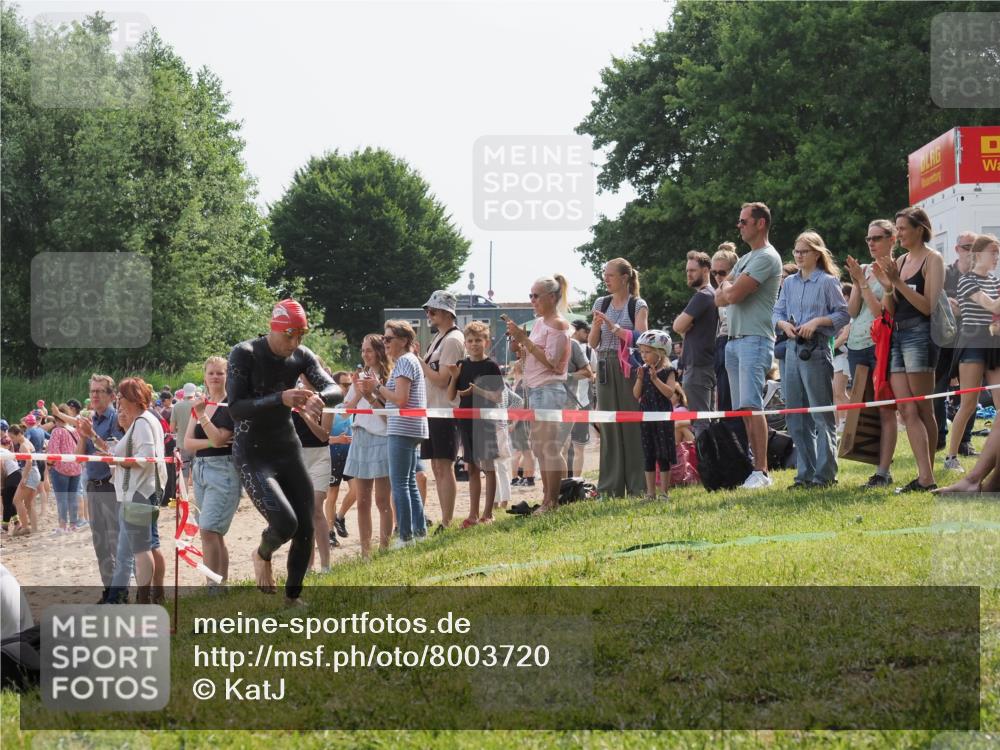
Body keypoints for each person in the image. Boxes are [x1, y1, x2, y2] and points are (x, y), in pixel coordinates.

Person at [227, 299, 342, 604]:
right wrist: (281, 398)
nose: (295, 343)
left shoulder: (301, 355)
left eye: (300, 336)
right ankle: (261, 554)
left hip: (287, 450)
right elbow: (236, 409)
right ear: (273, 328)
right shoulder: (245, 353)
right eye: (289, 336)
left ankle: (292, 599)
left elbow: (336, 390)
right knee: (284, 524)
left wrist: (319, 397)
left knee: (305, 526)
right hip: (252, 452)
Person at [870, 207, 945, 493]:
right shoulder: (899, 261)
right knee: (906, 408)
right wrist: (887, 287)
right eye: (897, 228)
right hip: (898, 337)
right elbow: (891, 310)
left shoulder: (932, 259)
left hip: (921, 335)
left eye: (902, 228)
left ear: (919, 229)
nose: (897, 234)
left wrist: (897, 282)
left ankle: (928, 474)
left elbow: (928, 306)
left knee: (924, 407)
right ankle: (924, 476)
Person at [773, 231, 850, 488]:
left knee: (820, 414)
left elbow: (843, 314)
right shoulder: (790, 283)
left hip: (816, 350)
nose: (798, 255)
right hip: (793, 350)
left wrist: (817, 322)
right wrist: (783, 324)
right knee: (795, 416)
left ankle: (825, 474)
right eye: (796, 251)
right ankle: (804, 473)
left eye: (803, 251)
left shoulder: (828, 282)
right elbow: (777, 312)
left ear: (817, 254)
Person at [715, 202, 783, 489]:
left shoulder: (766, 257)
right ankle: (754, 467)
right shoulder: (745, 258)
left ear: (760, 224)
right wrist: (728, 289)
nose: (739, 226)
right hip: (734, 341)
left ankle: (762, 471)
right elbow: (720, 295)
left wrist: (729, 290)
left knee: (753, 407)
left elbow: (734, 294)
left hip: (754, 339)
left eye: (744, 221)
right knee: (744, 409)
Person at [357, 320, 428, 546]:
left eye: (389, 339)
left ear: (404, 340)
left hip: (404, 428)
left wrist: (377, 387)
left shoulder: (405, 362)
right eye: (385, 339)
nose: (385, 343)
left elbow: (400, 400)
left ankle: (406, 536)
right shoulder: (409, 361)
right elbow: (394, 403)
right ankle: (419, 531)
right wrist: (373, 394)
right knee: (408, 483)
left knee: (400, 484)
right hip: (410, 427)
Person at [507, 275, 573, 514]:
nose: (532, 300)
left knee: (549, 447)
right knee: (539, 447)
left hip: (548, 388)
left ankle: (551, 502)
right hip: (536, 389)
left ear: (552, 297)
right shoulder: (540, 323)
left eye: (536, 296)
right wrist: (519, 346)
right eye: (531, 296)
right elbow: (533, 356)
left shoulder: (558, 324)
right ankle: (547, 499)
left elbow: (554, 364)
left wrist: (524, 340)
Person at [844, 219, 900, 487]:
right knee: (866, 410)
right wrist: (857, 282)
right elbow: (853, 312)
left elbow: (882, 314)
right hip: (856, 345)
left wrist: (865, 285)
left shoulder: (894, 269)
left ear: (892, 239)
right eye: (868, 239)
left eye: (876, 238)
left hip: (880, 345)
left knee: (886, 409)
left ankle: (883, 472)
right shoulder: (864, 269)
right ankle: (875, 466)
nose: (871, 243)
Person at [589, 258, 648, 497]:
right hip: (603, 365)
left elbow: (643, 337)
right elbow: (592, 343)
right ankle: (610, 488)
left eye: (610, 275)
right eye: (605, 275)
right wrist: (596, 326)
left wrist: (615, 329)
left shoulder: (638, 304)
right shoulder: (601, 303)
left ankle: (637, 485)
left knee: (632, 425)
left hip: (628, 368)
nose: (606, 279)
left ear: (624, 278)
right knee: (609, 426)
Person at [108, 378, 168, 604]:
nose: (119, 401)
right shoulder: (147, 419)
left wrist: (120, 461)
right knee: (152, 544)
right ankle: (158, 594)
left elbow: (145, 458)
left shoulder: (142, 422)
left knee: (141, 549)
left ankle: (144, 598)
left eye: (121, 396)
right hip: (148, 489)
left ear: (131, 398)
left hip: (139, 491)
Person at [945, 233, 1000, 472]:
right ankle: (951, 458)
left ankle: (993, 458)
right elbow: (992, 306)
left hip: (994, 343)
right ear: (978, 254)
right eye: (993, 252)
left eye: (998, 253)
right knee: (968, 404)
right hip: (972, 343)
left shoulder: (996, 282)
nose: (997, 257)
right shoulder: (966, 280)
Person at [184, 356, 239, 586]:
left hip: (224, 471)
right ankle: (220, 584)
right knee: (213, 532)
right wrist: (210, 442)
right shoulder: (200, 405)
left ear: (228, 376)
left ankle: (212, 586)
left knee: (207, 529)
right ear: (204, 377)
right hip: (201, 470)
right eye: (211, 373)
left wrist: (203, 416)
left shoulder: (230, 405)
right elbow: (187, 443)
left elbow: (220, 438)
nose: (215, 377)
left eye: (220, 373)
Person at [447, 321, 506, 526]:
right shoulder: (462, 364)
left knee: (488, 467)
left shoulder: (491, 366)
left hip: (486, 422)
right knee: (471, 467)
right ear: (465, 343)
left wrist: (477, 391)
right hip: (466, 421)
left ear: (486, 342)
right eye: (470, 341)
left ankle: (488, 513)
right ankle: (472, 513)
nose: (474, 344)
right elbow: (451, 395)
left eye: (478, 340)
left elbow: (498, 397)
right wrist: (455, 378)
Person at [75, 374, 126, 603]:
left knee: (116, 543)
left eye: (99, 391)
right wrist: (81, 435)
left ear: (111, 395)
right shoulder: (91, 420)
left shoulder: (117, 419)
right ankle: (109, 592)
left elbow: (112, 453)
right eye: (92, 391)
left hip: (111, 486)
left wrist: (91, 435)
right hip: (92, 486)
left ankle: (120, 594)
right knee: (100, 544)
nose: (94, 395)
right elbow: (79, 459)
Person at [417, 291, 465, 529]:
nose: (429, 314)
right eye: (428, 310)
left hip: (446, 410)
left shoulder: (454, 340)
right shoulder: (439, 338)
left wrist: (419, 361)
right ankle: (445, 519)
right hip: (433, 409)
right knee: (437, 466)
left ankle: (447, 521)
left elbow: (442, 380)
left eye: (432, 311)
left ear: (447, 312)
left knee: (444, 466)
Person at [343, 334, 393, 557]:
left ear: (380, 351)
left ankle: (384, 547)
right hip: (361, 437)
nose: (365, 354)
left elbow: (388, 417)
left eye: (369, 350)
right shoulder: (360, 376)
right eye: (363, 350)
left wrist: (371, 394)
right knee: (362, 500)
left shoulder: (388, 377)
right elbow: (348, 410)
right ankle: (365, 551)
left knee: (382, 500)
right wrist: (357, 391)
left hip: (381, 438)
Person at [936, 230, 980, 454]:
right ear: (956, 249)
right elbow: (930, 301)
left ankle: (964, 441)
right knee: (937, 392)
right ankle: (939, 438)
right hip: (943, 343)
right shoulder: (944, 273)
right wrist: (946, 305)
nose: (971, 252)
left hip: (970, 342)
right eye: (966, 247)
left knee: (969, 393)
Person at [291, 374, 334, 573]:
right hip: (297, 458)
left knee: (316, 507)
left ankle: (326, 564)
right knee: (302, 513)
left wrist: (305, 416)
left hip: (319, 456)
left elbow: (324, 435)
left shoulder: (327, 398)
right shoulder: (292, 397)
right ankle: (307, 565)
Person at [673, 251, 718, 435]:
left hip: (699, 366)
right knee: (708, 420)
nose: (689, 274)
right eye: (687, 271)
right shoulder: (713, 294)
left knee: (700, 423)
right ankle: (712, 463)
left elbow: (677, 326)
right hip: (706, 364)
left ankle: (705, 464)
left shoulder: (703, 296)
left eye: (693, 270)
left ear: (706, 270)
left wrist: (684, 325)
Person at [631, 330, 676, 500]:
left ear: (660, 352)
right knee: (648, 453)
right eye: (641, 352)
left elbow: (670, 393)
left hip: (662, 416)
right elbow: (636, 394)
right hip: (646, 416)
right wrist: (640, 379)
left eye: (647, 352)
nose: (643, 356)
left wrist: (656, 379)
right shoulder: (643, 369)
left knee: (663, 454)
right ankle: (650, 493)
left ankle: (664, 493)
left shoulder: (668, 370)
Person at [565, 320, 597, 477]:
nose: (588, 335)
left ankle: (573, 483)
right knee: (569, 448)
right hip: (571, 403)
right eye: (586, 331)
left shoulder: (590, 350)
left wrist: (570, 376)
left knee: (575, 447)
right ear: (575, 330)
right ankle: (568, 483)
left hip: (581, 402)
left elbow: (593, 374)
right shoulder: (563, 346)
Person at [327, 371, 355, 547]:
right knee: (332, 494)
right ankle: (329, 532)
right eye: (345, 385)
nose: (348, 388)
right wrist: (337, 439)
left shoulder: (349, 403)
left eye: (350, 385)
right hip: (332, 453)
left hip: (350, 453)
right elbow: (320, 435)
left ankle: (340, 516)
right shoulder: (329, 405)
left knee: (358, 490)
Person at [47, 406, 84, 533]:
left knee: (61, 498)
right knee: (72, 497)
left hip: (61, 469)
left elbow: (53, 452)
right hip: (76, 468)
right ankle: (73, 524)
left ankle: (62, 525)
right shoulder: (73, 430)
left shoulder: (57, 431)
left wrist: (49, 465)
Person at [712, 244, 739, 411]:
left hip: (736, 339)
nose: (717, 277)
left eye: (722, 272)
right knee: (723, 400)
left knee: (736, 400)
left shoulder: (738, 288)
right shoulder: (720, 290)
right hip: (722, 342)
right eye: (714, 272)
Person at [507, 343, 536, 488]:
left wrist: (514, 422)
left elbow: (520, 404)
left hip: (520, 420)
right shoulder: (519, 384)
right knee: (523, 451)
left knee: (524, 451)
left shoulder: (520, 383)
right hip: (518, 420)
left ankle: (526, 477)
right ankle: (524, 476)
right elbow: (519, 405)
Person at [170, 383, 198, 484]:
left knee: (184, 474)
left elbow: (172, 428)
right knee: (197, 474)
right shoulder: (198, 405)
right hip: (198, 445)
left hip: (182, 444)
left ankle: (185, 498)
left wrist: (180, 428)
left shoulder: (176, 406)